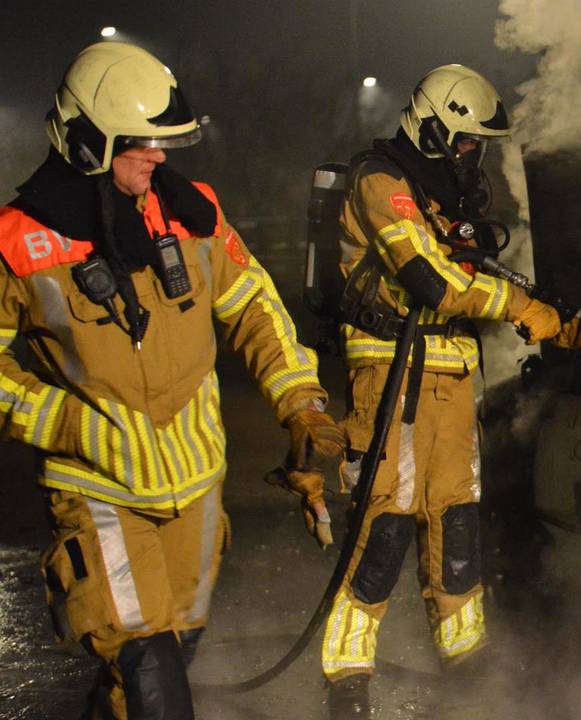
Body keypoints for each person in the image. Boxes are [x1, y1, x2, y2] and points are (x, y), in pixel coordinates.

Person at [0, 42, 343, 718]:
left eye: (162, 142)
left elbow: (254, 308)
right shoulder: (19, 242)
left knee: (164, 660)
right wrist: (67, 423)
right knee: (148, 667)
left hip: (196, 486)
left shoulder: (192, 214)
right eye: (140, 143)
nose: (159, 156)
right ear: (87, 140)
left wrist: (301, 403)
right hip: (98, 492)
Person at [323, 64, 581, 717]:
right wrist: (524, 309)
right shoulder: (380, 181)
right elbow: (431, 281)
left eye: (481, 147)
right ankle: (347, 676)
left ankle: (465, 664)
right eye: (468, 143)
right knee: (384, 527)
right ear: (435, 128)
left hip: (448, 380)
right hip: (389, 376)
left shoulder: (442, 199)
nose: (475, 157)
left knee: (458, 526)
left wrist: (549, 309)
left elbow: (471, 270)